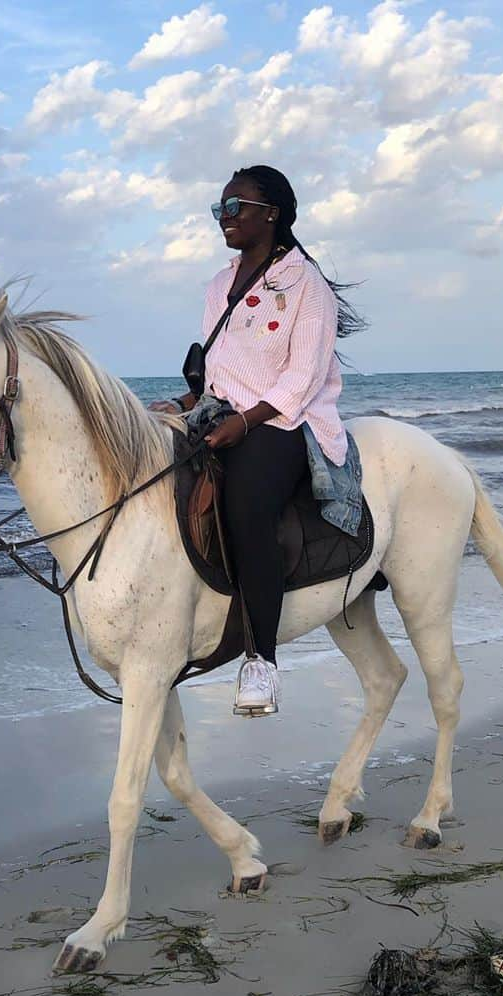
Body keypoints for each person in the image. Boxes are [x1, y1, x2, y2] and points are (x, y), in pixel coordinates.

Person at [150, 165, 365, 714]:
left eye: (234, 208)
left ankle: (260, 660)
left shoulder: (307, 286)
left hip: (285, 421)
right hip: (224, 412)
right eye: (218, 209)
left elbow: (303, 377)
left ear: (271, 214)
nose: (224, 219)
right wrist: (185, 405)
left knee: (247, 508)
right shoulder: (219, 285)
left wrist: (244, 424)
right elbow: (218, 369)